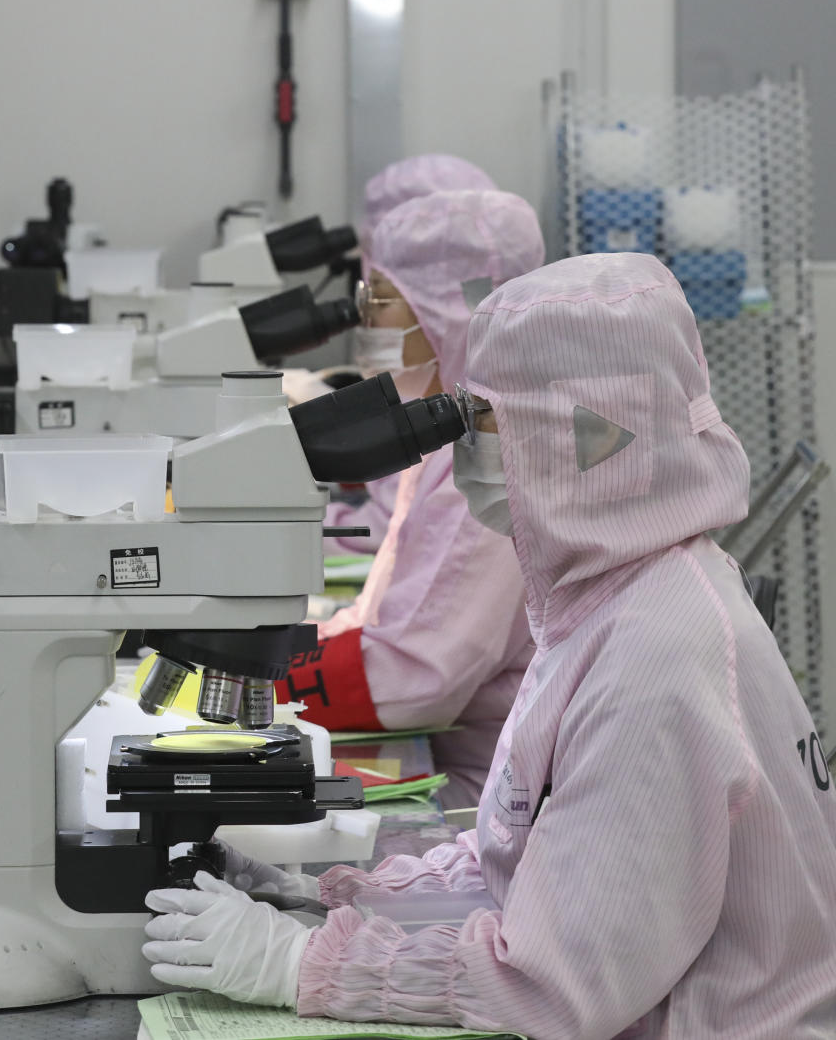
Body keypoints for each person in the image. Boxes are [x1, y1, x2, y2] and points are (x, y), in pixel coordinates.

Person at [143, 253, 836, 1038]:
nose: (464, 447)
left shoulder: (656, 655)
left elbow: (556, 984)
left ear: (579, 433)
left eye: (483, 420)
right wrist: (325, 900)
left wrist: (304, 967)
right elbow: (529, 863)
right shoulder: (610, 597)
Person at [277, 187, 546, 808]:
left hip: (488, 794)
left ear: (446, 307)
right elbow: (385, 618)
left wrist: (250, 679)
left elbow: (414, 674)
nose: (367, 322)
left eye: (382, 299)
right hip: (467, 756)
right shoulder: (455, 427)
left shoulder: (493, 445)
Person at [325, 153, 498, 556]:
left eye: (381, 296)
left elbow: (396, 533)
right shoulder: (442, 398)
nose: (367, 316)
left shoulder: (481, 435)